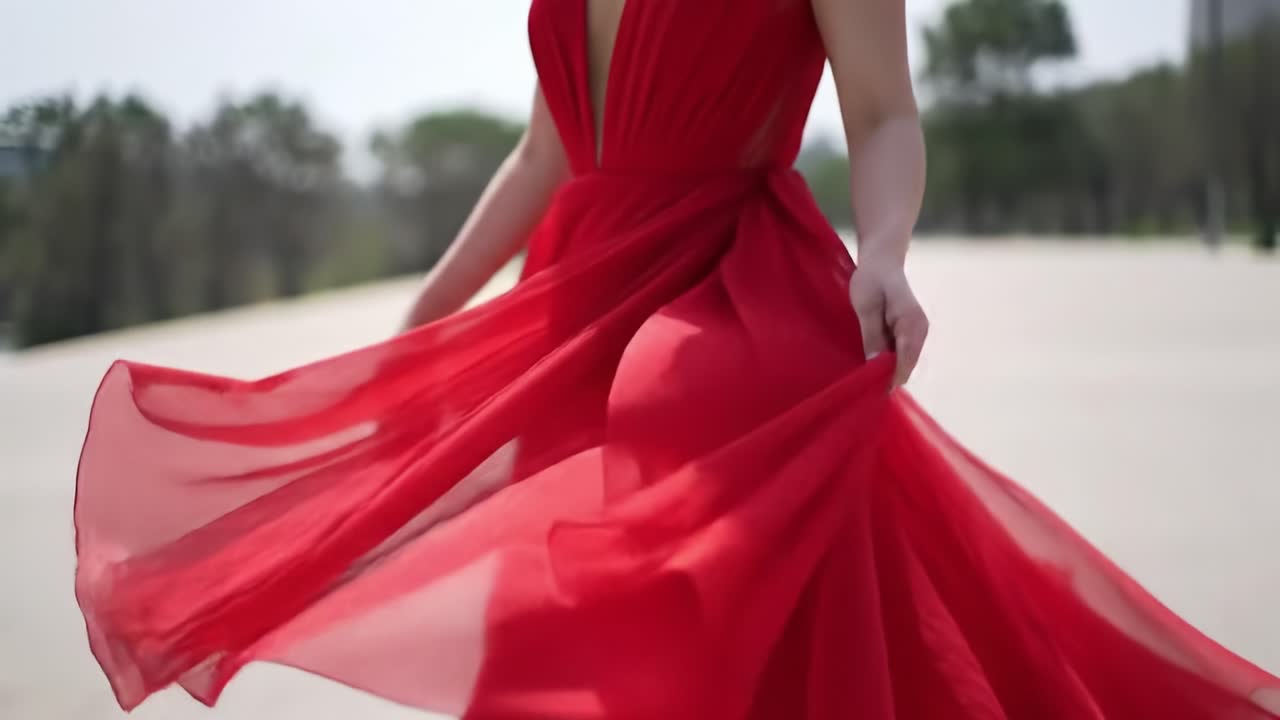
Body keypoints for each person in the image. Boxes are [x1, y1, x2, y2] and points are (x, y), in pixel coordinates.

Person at [74, 1, 1279, 718]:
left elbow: (883, 111)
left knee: (663, 628)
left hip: (721, 298)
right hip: (571, 299)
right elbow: (546, 148)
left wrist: (890, 251)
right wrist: (423, 334)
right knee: (575, 637)